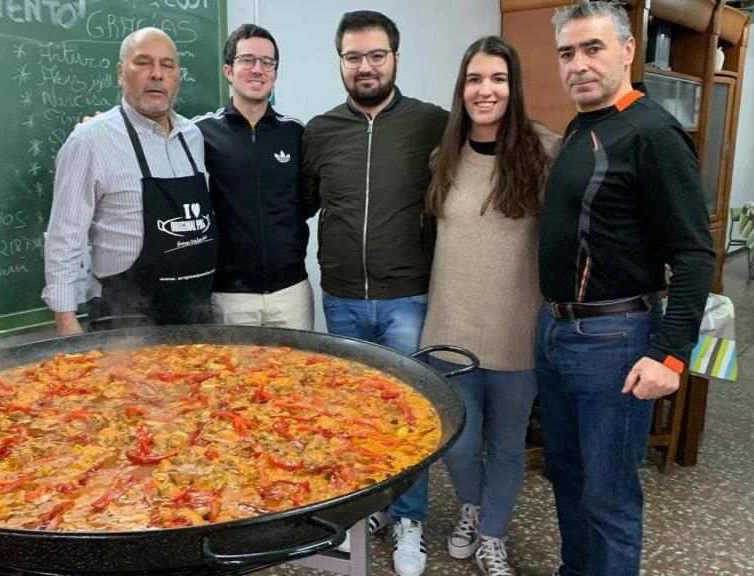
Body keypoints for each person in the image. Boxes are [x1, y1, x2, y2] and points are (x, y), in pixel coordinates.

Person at [537, 2, 715, 575]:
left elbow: (693, 254)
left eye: (593, 48)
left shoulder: (653, 133)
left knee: (608, 497)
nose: (579, 64)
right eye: (567, 52)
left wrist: (671, 354)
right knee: (566, 475)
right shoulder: (581, 126)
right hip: (558, 332)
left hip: (614, 340)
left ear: (628, 50)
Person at [299, 10, 448, 576]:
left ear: (395, 59)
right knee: (352, 416)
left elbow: (496, 141)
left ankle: (409, 521)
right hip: (340, 297)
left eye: (376, 55)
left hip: (407, 297)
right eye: (354, 56)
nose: (365, 67)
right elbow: (298, 205)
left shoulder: (432, 123)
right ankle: (370, 510)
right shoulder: (319, 131)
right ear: (340, 61)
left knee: (410, 416)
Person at [419, 35, 559, 576]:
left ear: (513, 87)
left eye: (498, 79)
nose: (486, 90)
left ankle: (493, 534)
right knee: (456, 444)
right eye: (475, 79)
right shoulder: (443, 155)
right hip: (449, 329)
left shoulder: (545, 151)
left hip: (516, 330)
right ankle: (472, 509)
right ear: (462, 88)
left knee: (505, 447)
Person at [42, 27, 216, 335]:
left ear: (178, 76)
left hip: (196, 318)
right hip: (123, 324)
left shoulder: (193, 136)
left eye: (167, 65)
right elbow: (63, 240)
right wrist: (66, 323)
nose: (156, 74)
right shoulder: (90, 140)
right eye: (143, 62)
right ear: (121, 73)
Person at [193, 24, 312, 330]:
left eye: (267, 62)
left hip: (291, 292)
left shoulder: (297, 133)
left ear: (275, 72)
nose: (257, 70)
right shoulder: (200, 132)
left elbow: (308, 199)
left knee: (304, 377)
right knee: (232, 378)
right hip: (230, 294)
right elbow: (156, 140)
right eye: (247, 60)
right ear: (229, 71)